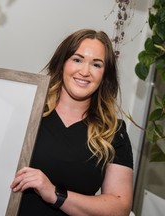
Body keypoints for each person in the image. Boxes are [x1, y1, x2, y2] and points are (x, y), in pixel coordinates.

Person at [10, 29, 134, 216]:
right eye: (77, 59)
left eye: (96, 64)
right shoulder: (29, 111)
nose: (84, 72)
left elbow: (120, 208)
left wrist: (54, 194)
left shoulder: (113, 132)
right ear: (62, 63)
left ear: (104, 75)